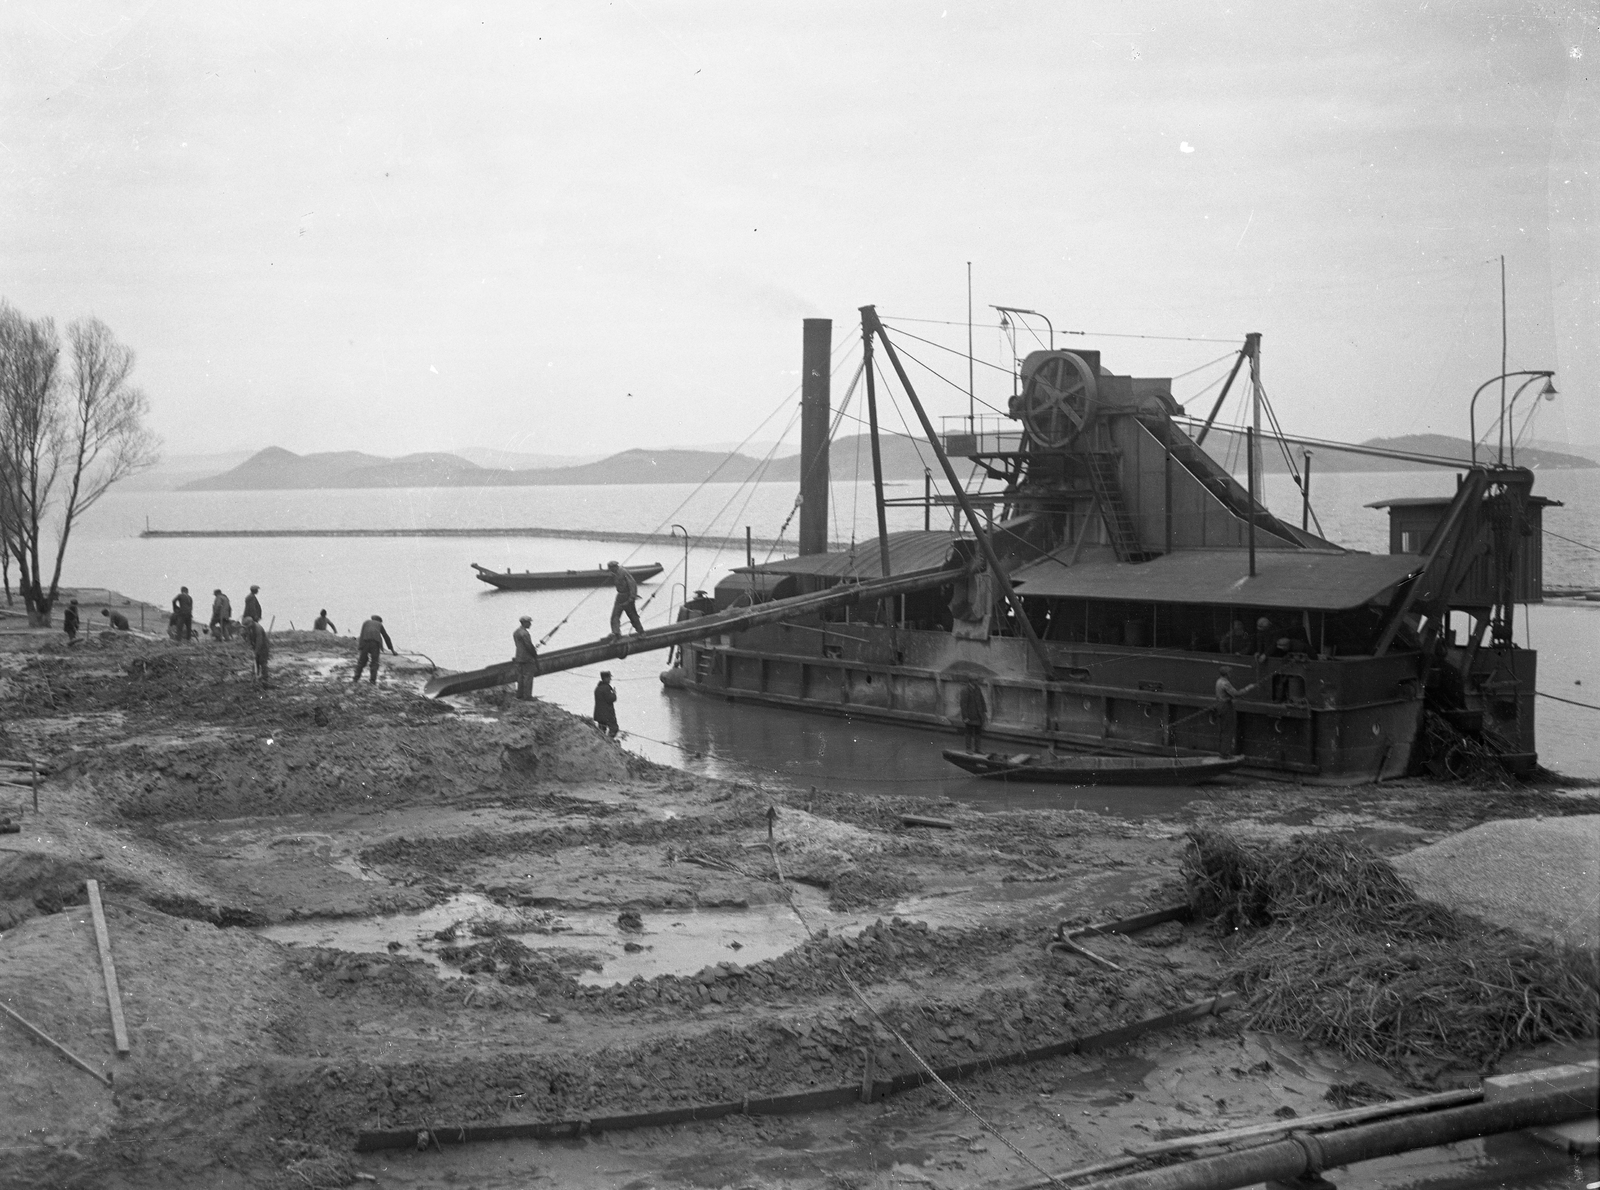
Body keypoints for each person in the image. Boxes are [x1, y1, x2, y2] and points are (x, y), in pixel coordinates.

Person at [354, 614, 395, 684]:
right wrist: (392, 650)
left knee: (361, 662)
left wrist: (360, 647)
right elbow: (386, 637)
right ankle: (372, 681)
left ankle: (355, 679)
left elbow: (362, 634)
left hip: (365, 643)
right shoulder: (379, 624)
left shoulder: (366, 622)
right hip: (375, 644)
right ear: (379, 621)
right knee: (374, 663)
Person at [606, 561, 644, 637]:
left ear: (615, 567)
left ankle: (641, 633)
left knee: (632, 616)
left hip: (627, 596)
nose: (611, 571)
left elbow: (632, 584)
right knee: (615, 616)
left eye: (611, 569)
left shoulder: (624, 572)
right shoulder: (614, 573)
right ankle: (616, 633)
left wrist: (632, 597)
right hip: (620, 596)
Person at [1214, 665, 1241, 756]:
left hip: (1219, 705)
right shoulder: (1225, 683)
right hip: (1226, 706)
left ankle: (1222, 752)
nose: (1231, 674)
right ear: (1226, 674)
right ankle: (1225, 753)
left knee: (1222, 729)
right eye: (1230, 672)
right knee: (1228, 729)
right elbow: (1235, 694)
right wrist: (1248, 688)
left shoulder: (1218, 681)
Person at [513, 615, 537, 701]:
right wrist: (534, 654)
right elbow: (528, 646)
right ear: (524, 623)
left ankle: (519, 695)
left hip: (519, 657)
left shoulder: (516, 632)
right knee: (528, 677)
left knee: (520, 677)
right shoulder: (525, 633)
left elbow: (518, 645)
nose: (530, 624)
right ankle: (527, 696)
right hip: (527, 659)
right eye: (529, 622)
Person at [958, 679, 987, 751]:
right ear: (971, 681)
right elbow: (963, 705)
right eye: (975, 680)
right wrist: (965, 717)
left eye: (977, 680)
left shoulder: (978, 688)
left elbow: (982, 700)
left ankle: (977, 749)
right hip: (970, 716)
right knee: (969, 733)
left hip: (978, 715)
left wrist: (984, 712)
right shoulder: (965, 690)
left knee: (978, 733)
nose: (977, 682)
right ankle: (968, 749)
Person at [241, 615, 270, 685]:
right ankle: (254, 677)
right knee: (255, 662)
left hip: (264, 647)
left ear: (251, 623)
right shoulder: (250, 628)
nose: (246, 627)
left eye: (247, 626)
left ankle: (265, 679)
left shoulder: (258, 628)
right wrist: (250, 647)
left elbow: (259, 642)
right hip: (255, 646)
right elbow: (248, 637)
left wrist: (256, 652)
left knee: (263, 662)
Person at [593, 671, 619, 737]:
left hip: (599, 714)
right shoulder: (606, 688)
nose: (610, 679)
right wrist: (614, 694)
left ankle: (603, 741)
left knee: (601, 730)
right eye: (609, 677)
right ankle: (609, 741)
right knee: (614, 728)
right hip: (607, 714)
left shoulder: (597, 688)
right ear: (606, 678)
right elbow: (611, 699)